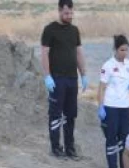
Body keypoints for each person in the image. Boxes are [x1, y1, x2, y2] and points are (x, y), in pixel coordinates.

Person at [40, 0, 88, 159]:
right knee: (55, 114)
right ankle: (55, 148)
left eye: (71, 13)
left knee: (70, 115)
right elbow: (45, 53)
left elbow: (79, 53)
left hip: (72, 79)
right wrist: (47, 76)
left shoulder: (74, 31)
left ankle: (70, 148)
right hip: (57, 79)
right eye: (66, 13)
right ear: (60, 11)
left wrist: (84, 74)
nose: (69, 16)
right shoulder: (50, 30)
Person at [98, 34, 129, 168]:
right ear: (115, 49)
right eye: (122, 50)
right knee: (111, 138)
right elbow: (101, 88)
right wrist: (101, 106)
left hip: (124, 106)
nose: (124, 53)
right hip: (111, 106)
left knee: (125, 140)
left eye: (126, 50)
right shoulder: (107, 65)